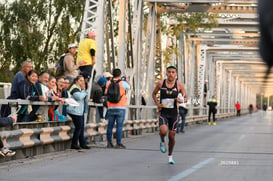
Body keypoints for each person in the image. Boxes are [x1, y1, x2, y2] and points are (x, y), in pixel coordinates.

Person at [152, 65, 187, 164]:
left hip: (174, 114)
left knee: (172, 136)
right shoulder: (160, 83)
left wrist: (181, 100)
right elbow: (153, 94)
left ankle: (170, 157)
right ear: (166, 73)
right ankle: (162, 140)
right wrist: (157, 104)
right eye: (169, 72)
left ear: (176, 74)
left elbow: (186, 98)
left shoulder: (179, 85)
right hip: (163, 112)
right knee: (163, 131)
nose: (171, 74)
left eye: (173, 72)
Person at [105, 68, 130, 149]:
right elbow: (129, 87)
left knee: (110, 126)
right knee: (119, 126)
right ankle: (118, 143)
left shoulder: (108, 82)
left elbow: (105, 93)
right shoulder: (123, 83)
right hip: (120, 107)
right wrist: (127, 80)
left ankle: (109, 143)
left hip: (110, 107)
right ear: (120, 75)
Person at [67, 75, 90, 149]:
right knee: (78, 127)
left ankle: (82, 143)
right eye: (80, 80)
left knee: (81, 128)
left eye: (83, 81)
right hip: (74, 110)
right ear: (76, 81)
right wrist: (84, 90)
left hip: (79, 111)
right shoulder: (74, 88)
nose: (82, 82)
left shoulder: (79, 89)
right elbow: (79, 97)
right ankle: (74, 143)